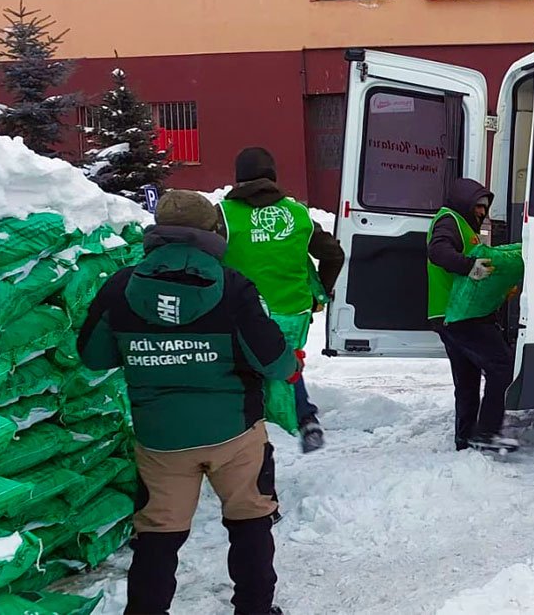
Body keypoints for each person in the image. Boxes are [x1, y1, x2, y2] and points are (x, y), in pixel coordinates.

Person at [78, 190, 297, 615]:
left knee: (158, 535)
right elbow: (273, 360)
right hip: (233, 432)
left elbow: (92, 356)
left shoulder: (121, 287)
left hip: (161, 439)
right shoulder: (233, 286)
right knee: (250, 523)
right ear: (212, 233)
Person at [220, 147, 345, 454]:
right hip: (294, 310)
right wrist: (322, 291)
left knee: (243, 370)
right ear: (273, 175)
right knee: (286, 362)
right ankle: (305, 420)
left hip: (243, 311)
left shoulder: (222, 215)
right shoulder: (299, 214)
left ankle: (251, 431)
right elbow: (333, 254)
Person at [427, 178, 519, 452]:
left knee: (467, 381)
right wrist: (471, 267)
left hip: (450, 315)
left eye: (484, 207)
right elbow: (438, 252)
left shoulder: (462, 224)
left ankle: (465, 440)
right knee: (502, 367)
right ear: (464, 202)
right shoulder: (449, 220)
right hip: (460, 314)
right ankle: (487, 434)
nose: (482, 212)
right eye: (478, 206)